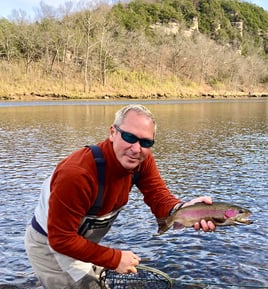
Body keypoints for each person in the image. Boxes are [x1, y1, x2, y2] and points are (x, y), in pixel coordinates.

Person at [25, 104, 215, 289]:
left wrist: (185, 210)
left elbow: (158, 196)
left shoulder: (142, 160)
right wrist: (114, 258)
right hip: (50, 243)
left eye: (146, 142)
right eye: (129, 137)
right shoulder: (76, 175)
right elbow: (61, 239)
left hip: (80, 242)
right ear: (112, 132)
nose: (136, 148)